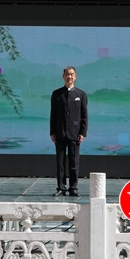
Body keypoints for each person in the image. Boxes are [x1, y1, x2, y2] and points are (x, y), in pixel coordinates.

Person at [50, 66, 88, 197]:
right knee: (60, 163)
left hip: (75, 133)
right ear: (63, 76)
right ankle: (61, 188)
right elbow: (53, 114)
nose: (69, 76)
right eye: (67, 74)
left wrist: (83, 132)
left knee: (74, 162)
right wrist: (52, 131)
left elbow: (84, 115)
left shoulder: (81, 94)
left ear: (75, 77)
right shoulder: (56, 93)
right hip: (59, 133)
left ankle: (73, 188)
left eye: (71, 74)